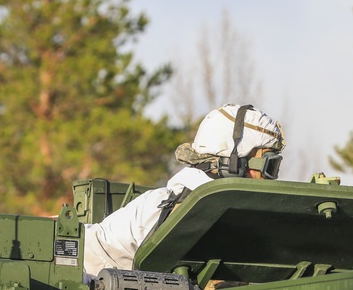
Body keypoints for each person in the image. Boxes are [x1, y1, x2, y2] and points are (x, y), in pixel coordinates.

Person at [83, 103, 285, 279]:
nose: (270, 178)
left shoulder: (236, 215)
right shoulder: (169, 207)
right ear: (233, 163)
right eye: (269, 166)